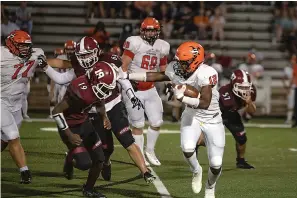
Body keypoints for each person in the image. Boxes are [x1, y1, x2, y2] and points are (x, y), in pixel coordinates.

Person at [40, 36, 155, 183]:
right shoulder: (78, 67)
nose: (86, 58)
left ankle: (145, 172)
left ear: (97, 51)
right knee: (105, 148)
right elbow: (62, 79)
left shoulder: (109, 60)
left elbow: (122, 78)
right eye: (82, 55)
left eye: (88, 54)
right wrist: (45, 67)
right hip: (95, 111)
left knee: (127, 140)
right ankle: (98, 161)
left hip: (114, 106)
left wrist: (132, 96)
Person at [126, 41, 225, 198]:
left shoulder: (207, 73)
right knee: (187, 148)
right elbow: (155, 75)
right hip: (191, 115)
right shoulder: (177, 69)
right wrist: (127, 75)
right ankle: (196, 170)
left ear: (196, 61)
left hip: (211, 117)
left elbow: (205, 103)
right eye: (179, 61)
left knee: (216, 163)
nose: (179, 66)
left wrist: (182, 97)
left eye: (184, 62)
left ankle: (210, 188)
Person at [50, 62, 114, 197]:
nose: (106, 91)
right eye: (104, 87)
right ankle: (69, 158)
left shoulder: (96, 87)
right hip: (70, 126)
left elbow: (100, 103)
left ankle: (88, 189)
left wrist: (104, 118)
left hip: (85, 123)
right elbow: (56, 111)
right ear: (95, 81)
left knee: (100, 159)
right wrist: (69, 134)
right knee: (84, 164)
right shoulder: (79, 90)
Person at [119, 17, 170, 166]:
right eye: (148, 30)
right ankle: (140, 155)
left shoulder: (162, 46)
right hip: (134, 89)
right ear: (142, 31)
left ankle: (150, 150)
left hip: (150, 87)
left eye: (153, 30)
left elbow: (163, 68)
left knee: (157, 121)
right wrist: (126, 84)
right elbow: (123, 66)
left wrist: (168, 83)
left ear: (158, 31)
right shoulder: (134, 42)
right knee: (138, 125)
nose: (150, 33)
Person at [1, 30, 45, 184]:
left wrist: (75, 66)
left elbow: (53, 63)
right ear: (11, 44)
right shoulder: (2, 55)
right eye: (21, 46)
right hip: (1, 100)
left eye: (27, 46)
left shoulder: (35, 54)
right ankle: (25, 171)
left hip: (16, 103)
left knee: (5, 140)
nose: (25, 49)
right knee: (13, 136)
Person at [282, 55, 296, 124]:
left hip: (293, 87)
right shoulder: (288, 69)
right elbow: (284, 78)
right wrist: (286, 87)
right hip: (292, 88)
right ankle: (289, 118)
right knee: (290, 104)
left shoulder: (295, 68)